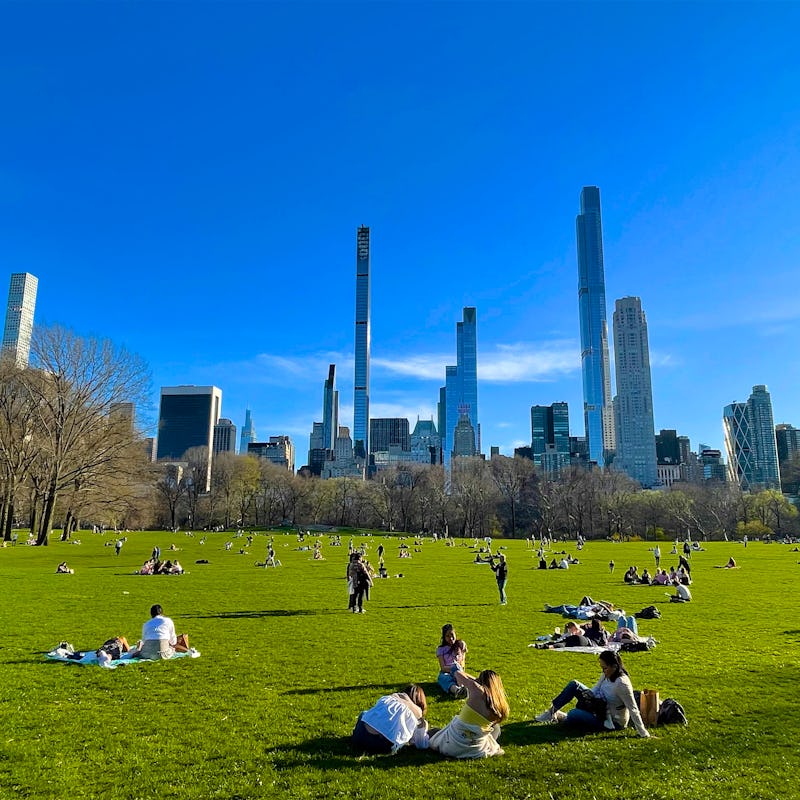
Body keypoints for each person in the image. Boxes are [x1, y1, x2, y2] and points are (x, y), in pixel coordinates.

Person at [534, 650, 649, 738]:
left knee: (573, 714)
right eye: (602, 668)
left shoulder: (622, 684)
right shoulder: (606, 674)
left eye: (604, 668)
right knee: (574, 684)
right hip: (598, 705)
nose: (603, 671)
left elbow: (633, 708)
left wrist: (643, 732)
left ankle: (563, 717)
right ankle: (551, 712)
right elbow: (596, 688)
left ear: (614, 667)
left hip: (611, 720)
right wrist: (587, 695)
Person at [429, 668, 509, 758]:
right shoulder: (500, 705)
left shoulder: (477, 692)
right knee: (496, 728)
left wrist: (455, 670)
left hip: (451, 746)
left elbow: (459, 674)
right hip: (476, 749)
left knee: (433, 732)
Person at [352, 685, 430, 754]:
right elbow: (421, 743)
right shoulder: (416, 713)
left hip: (359, 736)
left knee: (364, 713)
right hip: (380, 744)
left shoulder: (389, 698)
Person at [436, 624, 468, 698]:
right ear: (444, 637)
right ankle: (457, 690)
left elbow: (462, 664)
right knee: (443, 678)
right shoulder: (441, 649)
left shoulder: (460, 645)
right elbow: (443, 668)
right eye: (447, 636)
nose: (451, 638)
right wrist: (453, 669)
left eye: (452, 635)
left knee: (457, 667)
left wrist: (457, 670)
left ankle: (463, 688)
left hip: (460, 672)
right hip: (447, 672)